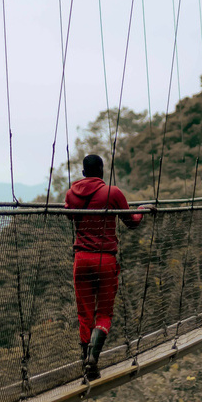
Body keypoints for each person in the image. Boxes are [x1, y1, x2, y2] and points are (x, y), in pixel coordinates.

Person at [65, 154, 143, 381]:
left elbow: (70, 216)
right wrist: (142, 209)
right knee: (104, 313)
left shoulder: (71, 194)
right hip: (105, 260)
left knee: (84, 313)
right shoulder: (113, 193)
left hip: (81, 260)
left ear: (83, 173)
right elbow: (132, 222)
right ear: (102, 171)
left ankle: (85, 365)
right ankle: (93, 360)